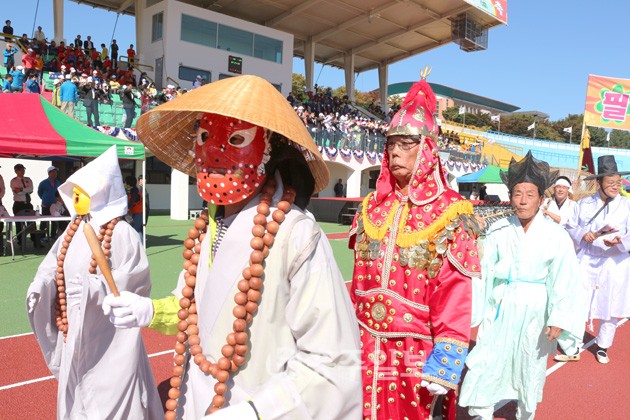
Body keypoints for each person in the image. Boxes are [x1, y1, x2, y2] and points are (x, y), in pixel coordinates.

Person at [103, 75, 362, 419]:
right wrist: (150, 311)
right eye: (204, 137)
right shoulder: (207, 230)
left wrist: (257, 412)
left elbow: (333, 362)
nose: (214, 152)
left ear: (270, 149)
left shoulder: (296, 234)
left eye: (237, 139)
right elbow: (195, 314)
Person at [348, 73, 481, 419]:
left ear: (427, 150)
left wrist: (446, 361)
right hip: (363, 341)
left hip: (415, 350)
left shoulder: (450, 212)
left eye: (406, 144)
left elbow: (454, 296)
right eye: (391, 143)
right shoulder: (370, 208)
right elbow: (356, 285)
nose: (394, 152)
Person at [26, 146, 163, 419]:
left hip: (107, 333)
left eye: (80, 193)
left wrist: (93, 290)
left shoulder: (122, 233)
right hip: (74, 325)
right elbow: (54, 263)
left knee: (113, 389)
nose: (74, 198)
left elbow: (136, 280)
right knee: (76, 385)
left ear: (99, 193)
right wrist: (41, 284)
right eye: (73, 193)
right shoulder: (73, 228)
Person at [458, 151, 586, 420]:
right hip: (500, 306)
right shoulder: (498, 230)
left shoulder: (556, 236)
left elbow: (564, 279)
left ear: (541, 199)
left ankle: (525, 412)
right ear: (510, 196)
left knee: (529, 363)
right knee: (487, 359)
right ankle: (482, 411)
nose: (523, 200)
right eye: (517, 193)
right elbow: (483, 271)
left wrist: (559, 317)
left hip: (535, 310)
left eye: (530, 194)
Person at [565, 155, 630, 364]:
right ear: (599, 183)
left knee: (610, 304)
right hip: (587, 258)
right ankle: (572, 343)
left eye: (618, 183)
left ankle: (602, 346)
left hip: (614, 262)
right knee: (578, 301)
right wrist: (583, 234)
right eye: (610, 183)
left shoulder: (626, 205)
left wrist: (620, 241)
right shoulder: (583, 204)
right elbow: (570, 225)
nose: (615, 186)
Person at [10, 163, 39, 248]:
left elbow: (31, 189)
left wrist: (22, 189)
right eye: (20, 169)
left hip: (28, 204)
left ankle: (35, 242)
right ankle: (20, 242)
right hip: (18, 204)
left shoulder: (28, 179)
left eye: (23, 169)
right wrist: (25, 190)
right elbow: (17, 192)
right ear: (16, 171)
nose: (23, 171)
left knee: (32, 223)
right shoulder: (14, 181)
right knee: (19, 224)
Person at [37, 165, 61, 239]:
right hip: (46, 205)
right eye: (53, 172)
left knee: (54, 222)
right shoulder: (43, 183)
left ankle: (53, 236)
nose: (55, 173)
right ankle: (42, 236)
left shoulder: (58, 182)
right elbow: (39, 192)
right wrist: (45, 198)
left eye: (56, 172)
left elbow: (59, 192)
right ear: (49, 173)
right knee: (44, 221)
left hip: (55, 205)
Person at [124, 175, 143, 241]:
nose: (124, 184)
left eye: (125, 182)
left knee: (137, 229)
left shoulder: (135, 191)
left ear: (129, 184)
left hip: (138, 212)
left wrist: (126, 209)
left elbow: (131, 202)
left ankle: (141, 244)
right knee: (132, 228)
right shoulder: (130, 190)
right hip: (133, 212)